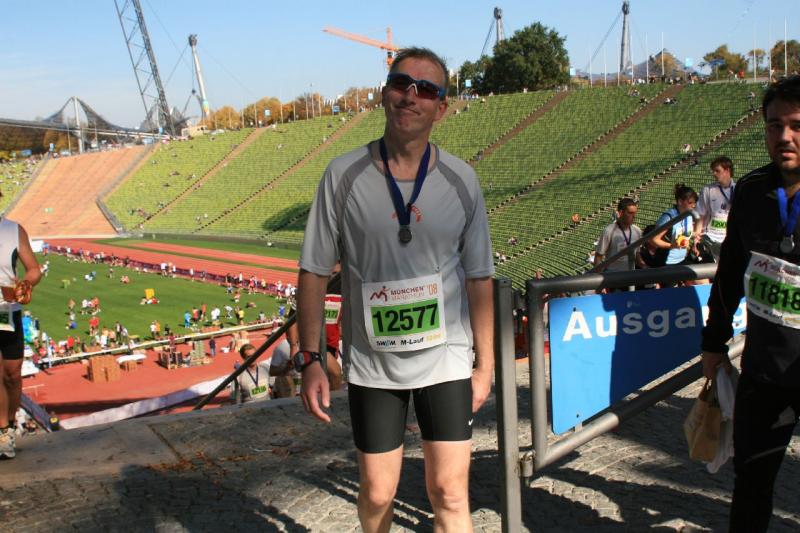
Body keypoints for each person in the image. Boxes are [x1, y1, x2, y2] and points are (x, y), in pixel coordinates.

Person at [296, 47, 494, 532]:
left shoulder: (461, 180)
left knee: (450, 492)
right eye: (401, 83)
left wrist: (485, 365)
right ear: (384, 93)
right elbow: (314, 271)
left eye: (425, 90)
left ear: (441, 108)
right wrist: (311, 359)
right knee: (378, 493)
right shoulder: (342, 175)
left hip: (445, 358)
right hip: (373, 363)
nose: (410, 95)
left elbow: (479, 277)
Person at [701, 75, 800, 532]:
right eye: (775, 125)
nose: (785, 136)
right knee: (751, 485)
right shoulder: (752, 190)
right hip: (764, 371)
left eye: (796, 125)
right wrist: (714, 341)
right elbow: (730, 274)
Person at [0, 219, 41, 459]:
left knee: (12, 375)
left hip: (7, 310)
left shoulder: (12, 229)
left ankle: (9, 425)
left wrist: (26, 283)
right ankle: (2, 431)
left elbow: (34, 269)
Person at [694, 156, 736, 263]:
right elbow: (700, 215)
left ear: (727, 170)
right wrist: (696, 238)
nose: (714, 173)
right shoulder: (708, 190)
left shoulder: (738, 189)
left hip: (728, 238)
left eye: (717, 171)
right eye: (713, 171)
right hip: (710, 237)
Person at [648, 183, 698, 267]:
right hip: (666, 262)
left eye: (695, 203)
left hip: (682, 260)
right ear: (680, 202)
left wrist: (693, 245)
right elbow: (653, 240)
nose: (693, 205)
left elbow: (685, 235)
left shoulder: (689, 216)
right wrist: (672, 246)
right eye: (690, 203)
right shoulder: (669, 217)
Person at [594, 198, 644, 272]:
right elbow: (598, 257)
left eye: (635, 213)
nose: (634, 216)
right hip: (612, 275)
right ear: (621, 213)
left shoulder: (637, 231)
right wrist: (600, 276)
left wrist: (645, 266)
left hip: (630, 275)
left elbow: (637, 254)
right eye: (630, 213)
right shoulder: (609, 231)